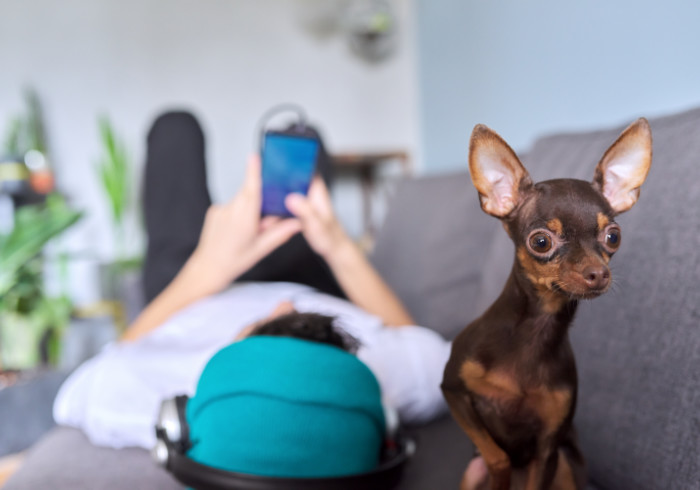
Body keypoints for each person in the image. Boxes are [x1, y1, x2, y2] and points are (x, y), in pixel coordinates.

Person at [53, 113, 450, 453]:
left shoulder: (160, 396)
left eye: (265, 332)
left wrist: (208, 267)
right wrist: (337, 244)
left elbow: (107, 364)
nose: (284, 309)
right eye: (311, 334)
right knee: (299, 136)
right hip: (305, 276)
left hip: (195, 293)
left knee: (174, 127)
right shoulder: (386, 379)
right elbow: (417, 342)